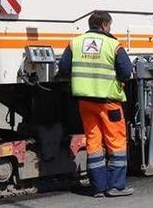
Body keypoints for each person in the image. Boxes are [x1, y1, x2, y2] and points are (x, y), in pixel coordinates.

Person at [57, 11, 134, 197]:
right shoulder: (113, 45)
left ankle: (98, 187)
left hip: (85, 102)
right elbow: (126, 71)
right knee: (116, 142)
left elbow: (64, 68)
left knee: (93, 142)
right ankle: (116, 186)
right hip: (109, 102)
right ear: (105, 26)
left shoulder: (74, 43)